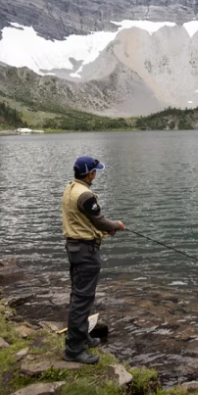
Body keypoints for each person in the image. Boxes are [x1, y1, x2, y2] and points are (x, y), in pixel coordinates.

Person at [61, 156, 125, 364]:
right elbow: (100, 220)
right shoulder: (85, 195)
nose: (96, 174)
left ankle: (82, 337)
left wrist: (106, 228)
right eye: (95, 171)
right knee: (82, 299)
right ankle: (73, 350)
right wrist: (116, 225)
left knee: (80, 296)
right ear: (89, 173)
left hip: (75, 248)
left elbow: (86, 221)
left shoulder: (71, 188)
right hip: (85, 252)